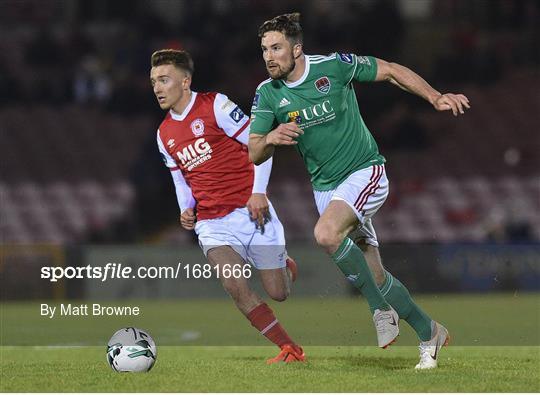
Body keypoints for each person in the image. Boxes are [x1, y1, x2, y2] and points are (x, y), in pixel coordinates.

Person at [248, 13, 470, 369]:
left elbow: (392, 70)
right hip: (326, 189)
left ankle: (379, 310)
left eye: (276, 47)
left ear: (297, 48)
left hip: (365, 172)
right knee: (376, 276)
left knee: (325, 233)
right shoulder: (267, 93)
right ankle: (430, 332)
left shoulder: (335, 67)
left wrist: (435, 96)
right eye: (264, 50)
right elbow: (254, 150)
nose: (269, 56)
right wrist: (271, 138)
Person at [150, 49, 304, 364]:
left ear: (185, 81)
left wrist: (259, 193)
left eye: (164, 79)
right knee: (234, 285)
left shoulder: (215, 105)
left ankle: (283, 263)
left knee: (278, 292)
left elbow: (260, 145)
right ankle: (290, 349)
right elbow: (181, 179)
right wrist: (185, 208)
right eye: (153, 81)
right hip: (211, 222)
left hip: (250, 210)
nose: (157, 87)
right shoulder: (163, 134)